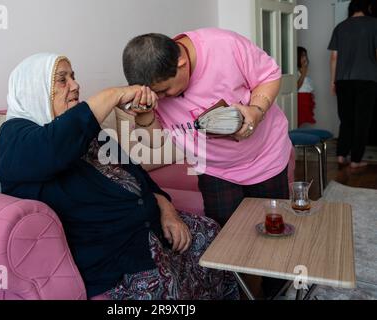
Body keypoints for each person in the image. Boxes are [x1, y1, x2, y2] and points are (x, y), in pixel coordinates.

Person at [0, 53, 239, 300]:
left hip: (150, 230)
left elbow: (135, 173)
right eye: (62, 80)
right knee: (162, 287)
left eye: (73, 76)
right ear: (33, 89)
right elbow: (53, 149)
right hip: (114, 256)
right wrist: (115, 94)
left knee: (211, 233)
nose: (75, 85)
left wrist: (167, 209)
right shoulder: (15, 136)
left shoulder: (87, 133)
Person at [122, 28, 292, 297]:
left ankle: (278, 292)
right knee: (226, 241)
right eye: (156, 95)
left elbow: (269, 76)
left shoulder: (223, 46)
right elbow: (153, 143)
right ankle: (239, 294)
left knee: (274, 238)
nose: (162, 100)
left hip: (265, 157)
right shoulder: (154, 88)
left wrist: (255, 111)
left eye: (165, 91)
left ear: (182, 63)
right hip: (214, 168)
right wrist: (144, 115)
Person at [329, 0, 377, 168]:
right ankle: (356, 160)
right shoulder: (374, 24)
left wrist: (333, 81)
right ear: (367, 7)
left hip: (342, 80)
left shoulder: (340, 27)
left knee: (346, 119)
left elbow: (334, 57)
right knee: (362, 121)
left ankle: (341, 155)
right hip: (367, 79)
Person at [297, 46, 316, 127]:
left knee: (303, 122)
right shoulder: (296, 71)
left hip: (307, 98)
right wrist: (304, 73)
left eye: (305, 55)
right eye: (302, 56)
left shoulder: (303, 70)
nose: (304, 58)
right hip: (301, 99)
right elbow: (296, 87)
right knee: (299, 120)